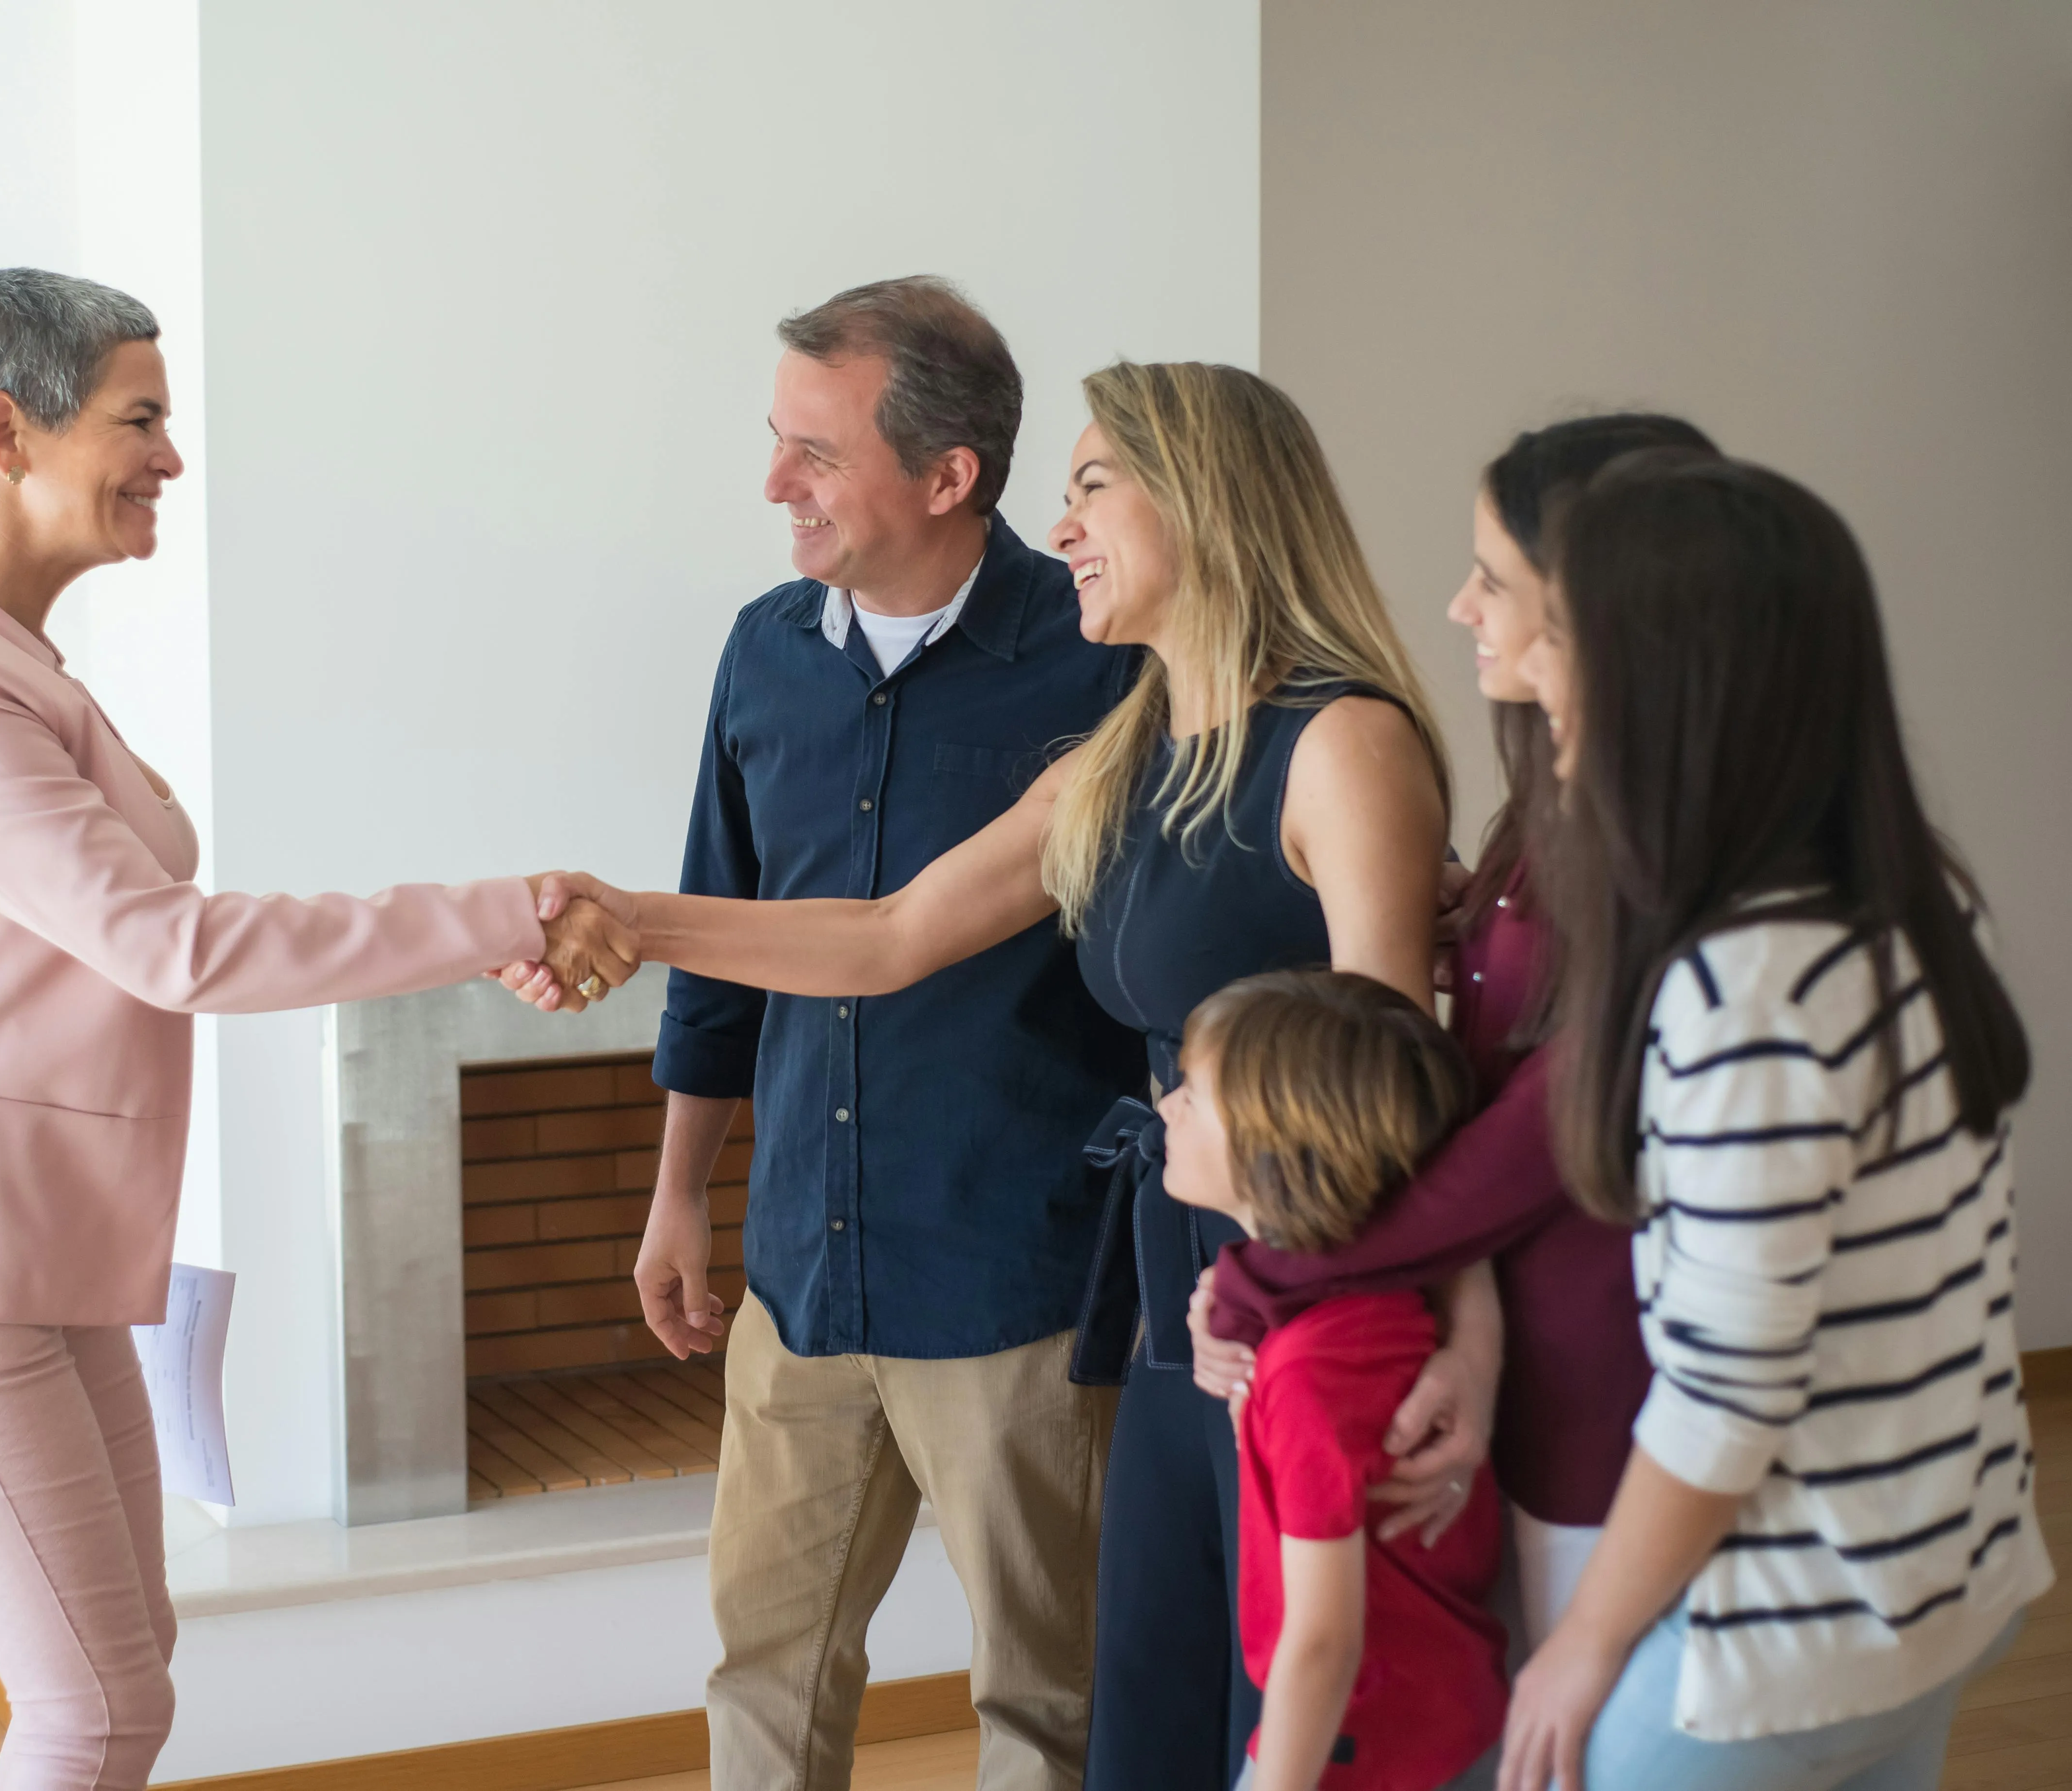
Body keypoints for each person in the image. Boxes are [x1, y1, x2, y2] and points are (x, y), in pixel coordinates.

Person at [515, 360, 1482, 1791]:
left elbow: (1406, 1089)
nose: (1066, 521)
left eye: (1096, 485)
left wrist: (1449, 1326)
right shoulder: (1129, 747)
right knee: (1149, 1712)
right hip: (1174, 1286)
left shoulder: (1342, 744)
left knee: (1289, 1704)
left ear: (1205, 504)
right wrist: (633, 918)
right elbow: (889, 933)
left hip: (1308, 1290)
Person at [0, 268, 633, 1791]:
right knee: (92, 1709)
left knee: (127, 1669)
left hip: (29, 1246)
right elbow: (171, 948)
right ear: (3, 427)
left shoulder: (3, 655)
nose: (171, 455)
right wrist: (500, 913)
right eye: (140, 418)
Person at [536, 275, 1143, 1791]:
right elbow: (721, 962)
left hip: (1017, 1282)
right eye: (777, 441)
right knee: (764, 1672)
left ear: (948, 477)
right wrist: (680, 1192)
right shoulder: (762, 653)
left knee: (1046, 1699)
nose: (773, 485)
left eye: (814, 451)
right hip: (801, 1272)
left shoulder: (1105, 665)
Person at [1494, 452, 2053, 1791]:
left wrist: (1583, 1643)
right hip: (1950, 1571)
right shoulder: (1901, 908)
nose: (1534, 669)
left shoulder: (1744, 983)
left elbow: (1726, 1396)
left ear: (1667, 684)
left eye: (1561, 633)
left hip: (1780, 1637)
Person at [1191, 414, 1717, 1648]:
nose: (1458, 606)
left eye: (1492, 577)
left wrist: (1274, 1268)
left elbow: (1540, 1124)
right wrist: (1474, 936)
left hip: (1610, 1362)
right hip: (1522, 1337)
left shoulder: (1660, 841)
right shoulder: (1551, 808)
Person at [1159, 971, 1505, 1791]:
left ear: (1278, 1149)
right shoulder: (1370, 1313)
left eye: (1194, 1097)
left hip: (1365, 1753)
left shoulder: (1312, 1371)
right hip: (1437, 1723)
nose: (1167, 1107)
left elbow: (1324, 1640)